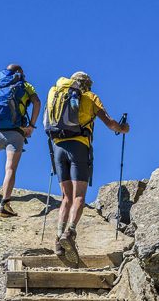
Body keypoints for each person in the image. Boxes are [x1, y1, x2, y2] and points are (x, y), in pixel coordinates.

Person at [42, 71, 128, 246]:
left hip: (58, 147)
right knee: (79, 195)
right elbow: (110, 123)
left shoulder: (56, 94)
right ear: (87, 84)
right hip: (78, 147)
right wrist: (123, 128)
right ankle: (70, 231)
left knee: (66, 197)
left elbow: (47, 122)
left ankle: (58, 238)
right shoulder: (89, 97)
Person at [0, 63, 38, 216]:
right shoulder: (25, 85)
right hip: (16, 131)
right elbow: (37, 102)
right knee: (10, 168)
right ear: (20, 72)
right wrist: (31, 126)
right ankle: (4, 205)